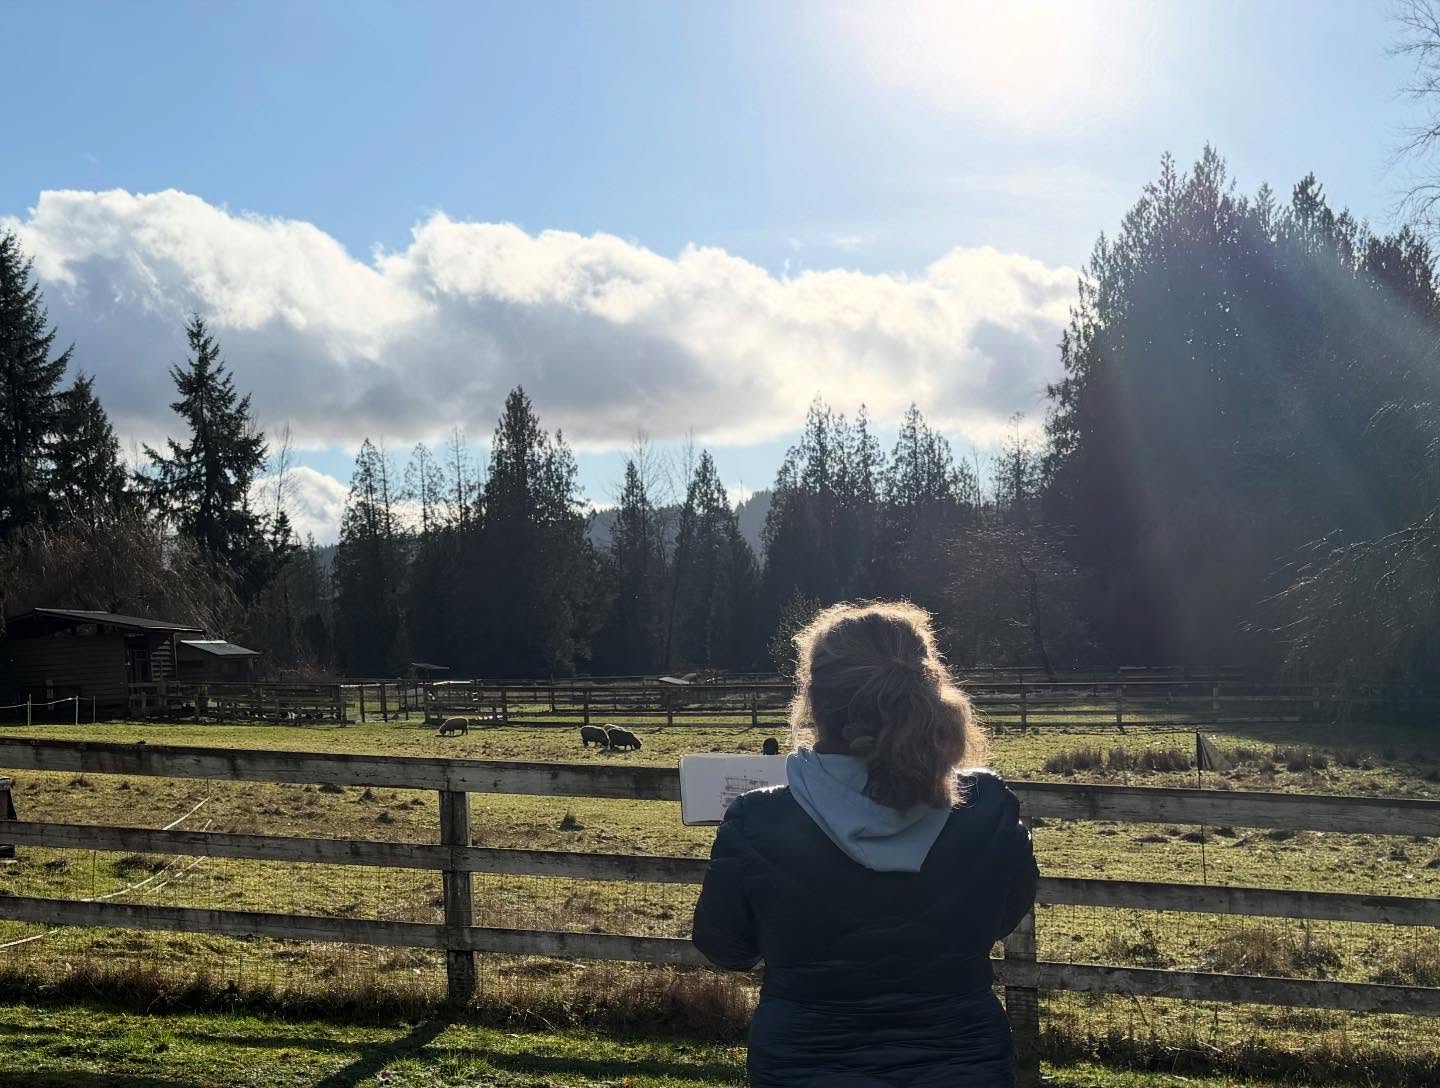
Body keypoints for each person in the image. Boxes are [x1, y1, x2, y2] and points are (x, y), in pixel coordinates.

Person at [692, 601, 1038, 1087]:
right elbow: (1003, 917)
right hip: (963, 1062)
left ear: (813, 698)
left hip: (806, 1065)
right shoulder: (985, 806)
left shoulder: (760, 818)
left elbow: (726, 947)